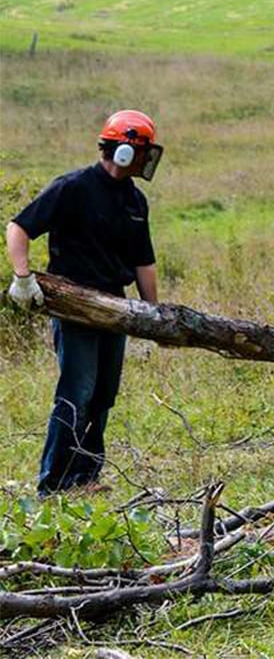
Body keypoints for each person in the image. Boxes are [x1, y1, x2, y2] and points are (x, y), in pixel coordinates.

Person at [6, 110, 163, 495]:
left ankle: (86, 478)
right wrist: (23, 278)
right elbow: (19, 227)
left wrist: (153, 314)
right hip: (74, 305)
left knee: (104, 394)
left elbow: (144, 261)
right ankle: (54, 484)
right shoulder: (73, 187)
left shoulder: (134, 201)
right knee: (77, 392)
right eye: (142, 152)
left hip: (115, 309)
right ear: (125, 150)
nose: (146, 160)